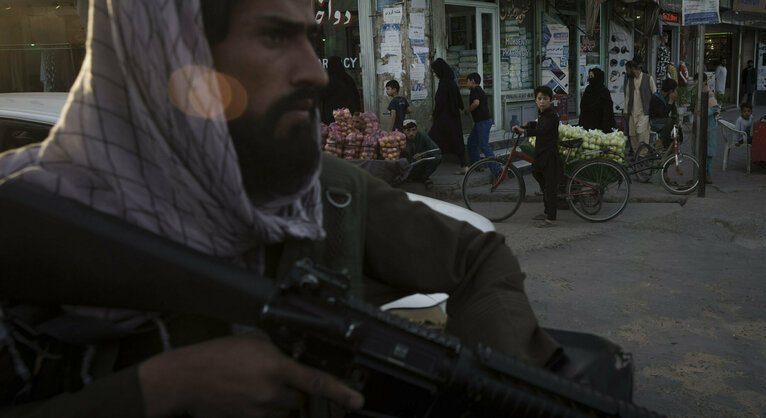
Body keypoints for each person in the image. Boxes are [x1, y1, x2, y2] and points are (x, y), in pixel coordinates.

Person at [0, 0, 562, 415]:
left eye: (311, 37)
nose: (316, 71)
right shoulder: (29, 218)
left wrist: (500, 388)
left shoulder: (322, 192)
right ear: (176, 61)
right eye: (274, 36)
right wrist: (162, 389)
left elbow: (479, 258)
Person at [512, 86, 562, 228]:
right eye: (539, 99)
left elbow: (543, 129)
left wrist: (525, 131)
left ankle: (551, 218)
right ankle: (547, 212)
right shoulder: (543, 114)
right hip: (541, 154)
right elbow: (540, 124)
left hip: (549, 155)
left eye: (545, 99)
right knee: (541, 180)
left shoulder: (552, 115)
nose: (542, 102)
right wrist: (529, 124)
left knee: (550, 186)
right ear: (535, 100)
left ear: (550, 100)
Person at [429, 58, 468, 174]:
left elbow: (440, 103)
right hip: (453, 117)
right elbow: (459, 101)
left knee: (430, 139)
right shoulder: (451, 82)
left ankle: (426, 164)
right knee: (456, 140)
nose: (434, 74)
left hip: (444, 118)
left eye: (435, 71)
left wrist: (433, 115)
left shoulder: (443, 84)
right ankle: (464, 165)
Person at [463, 72, 495, 170]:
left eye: (467, 81)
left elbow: (476, 103)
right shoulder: (479, 89)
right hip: (480, 122)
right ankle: (477, 166)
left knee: (484, 146)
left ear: (472, 81)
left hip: (483, 122)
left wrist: (467, 110)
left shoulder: (475, 90)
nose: (466, 84)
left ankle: (497, 169)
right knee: (472, 143)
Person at [624, 60, 656, 154]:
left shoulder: (648, 78)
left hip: (645, 112)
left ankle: (643, 154)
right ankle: (636, 154)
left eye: (627, 69)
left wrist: (653, 110)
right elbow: (627, 97)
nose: (626, 71)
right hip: (632, 112)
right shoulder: (630, 81)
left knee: (641, 132)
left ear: (633, 69)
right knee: (632, 134)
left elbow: (654, 94)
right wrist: (626, 111)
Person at [320, 55, 362, 124]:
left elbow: (321, 96)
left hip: (332, 116)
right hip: (348, 114)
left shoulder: (328, 80)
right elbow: (356, 97)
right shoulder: (347, 78)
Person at [694, 81, 720, 184]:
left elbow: (714, 108)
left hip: (709, 127)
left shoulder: (709, 93)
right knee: (698, 150)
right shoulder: (697, 92)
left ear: (703, 81)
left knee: (708, 153)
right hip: (699, 126)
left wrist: (703, 113)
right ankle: (699, 174)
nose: (696, 83)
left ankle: (707, 174)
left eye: (697, 80)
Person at [402, 119, 441, 189]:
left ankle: (424, 177)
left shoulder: (422, 136)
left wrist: (422, 155)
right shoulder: (400, 139)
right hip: (407, 168)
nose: (411, 133)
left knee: (437, 157)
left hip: (420, 165)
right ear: (404, 131)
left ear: (416, 130)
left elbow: (437, 150)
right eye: (408, 130)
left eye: (413, 130)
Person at [579, 67, 616, 132]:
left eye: (592, 76)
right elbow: (583, 105)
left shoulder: (604, 91)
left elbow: (608, 110)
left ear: (597, 77)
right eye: (589, 76)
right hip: (587, 123)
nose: (590, 78)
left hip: (600, 125)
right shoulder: (588, 89)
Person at [649, 78, 680, 150]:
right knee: (669, 121)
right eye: (674, 89)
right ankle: (660, 140)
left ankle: (666, 156)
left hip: (664, 122)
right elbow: (662, 114)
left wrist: (673, 101)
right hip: (655, 121)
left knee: (671, 123)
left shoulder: (668, 97)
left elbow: (673, 111)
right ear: (670, 90)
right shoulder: (656, 97)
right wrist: (670, 101)